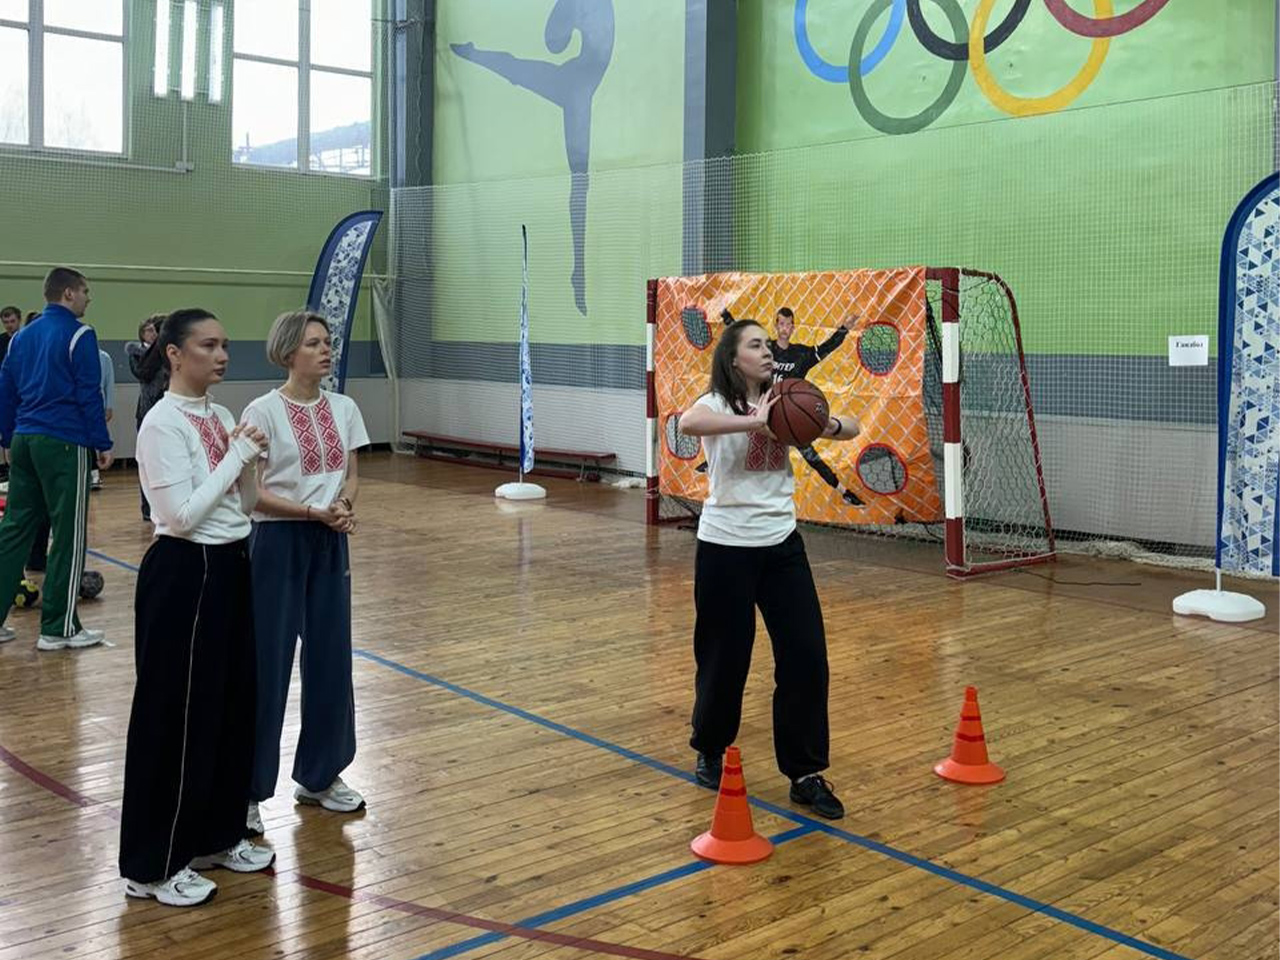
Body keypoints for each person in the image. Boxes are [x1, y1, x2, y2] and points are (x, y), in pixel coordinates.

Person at [119, 308, 274, 907]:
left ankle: (215, 836)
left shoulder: (223, 417)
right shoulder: (162, 423)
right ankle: (151, 866)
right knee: (174, 716)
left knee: (231, 705)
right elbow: (179, 517)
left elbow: (244, 504)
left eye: (225, 344)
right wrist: (236, 458)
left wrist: (250, 463)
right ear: (174, 354)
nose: (222, 355)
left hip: (232, 564)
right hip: (185, 572)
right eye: (208, 345)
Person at [677, 319, 862, 820]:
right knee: (725, 658)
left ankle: (805, 773)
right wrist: (753, 423)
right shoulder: (717, 403)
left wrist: (823, 424)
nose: (764, 351)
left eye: (766, 344)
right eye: (755, 345)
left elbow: (852, 427)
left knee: (807, 656)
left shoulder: (788, 399)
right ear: (733, 358)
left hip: (782, 545)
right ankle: (710, 746)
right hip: (725, 547)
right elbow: (688, 423)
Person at [242, 311, 369, 837]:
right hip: (276, 543)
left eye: (327, 342)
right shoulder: (262, 411)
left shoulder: (344, 408)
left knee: (331, 657)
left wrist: (342, 506)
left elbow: (352, 474)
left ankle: (321, 775)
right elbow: (252, 493)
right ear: (288, 352)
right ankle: (248, 791)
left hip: (329, 541)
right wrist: (310, 512)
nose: (325, 350)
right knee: (267, 665)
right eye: (314, 343)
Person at [0, 268, 112, 650]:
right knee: (69, 534)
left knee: (14, 529)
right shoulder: (81, 334)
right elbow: (89, 393)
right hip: (64, 441)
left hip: (24, 439)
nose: (88, 298)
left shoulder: (20, 337)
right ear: (68, 294)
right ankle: (59, 628)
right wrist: (101, 442)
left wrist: (8, 437)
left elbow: (6, 390)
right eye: (85, 291)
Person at [126, 314, 167, 519]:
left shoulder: (166, 351)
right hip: (147, 409)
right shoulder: (137, 352)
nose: (153, 334)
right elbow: (143, 373)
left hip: (165, 407)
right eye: (149, 330)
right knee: (147, 460)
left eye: (155, 330)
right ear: (142, 333)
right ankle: (147, 508)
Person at [0, 306, 22, 486]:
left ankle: (23, 471)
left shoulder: (26, 339)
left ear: (19, 320)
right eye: (5, 322)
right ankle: (8, 470)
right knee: (6, 432)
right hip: (4, 393)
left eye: (12, 321)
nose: (9, 325)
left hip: (23, 393)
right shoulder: (1, 342)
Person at [90, 347, 115, 490]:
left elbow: (108, 384)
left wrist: (109, 406)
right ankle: (91, 471)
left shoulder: (104, 357)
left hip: (98, 405)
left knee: (97, 438)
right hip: (79, 406)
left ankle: (95, 473)